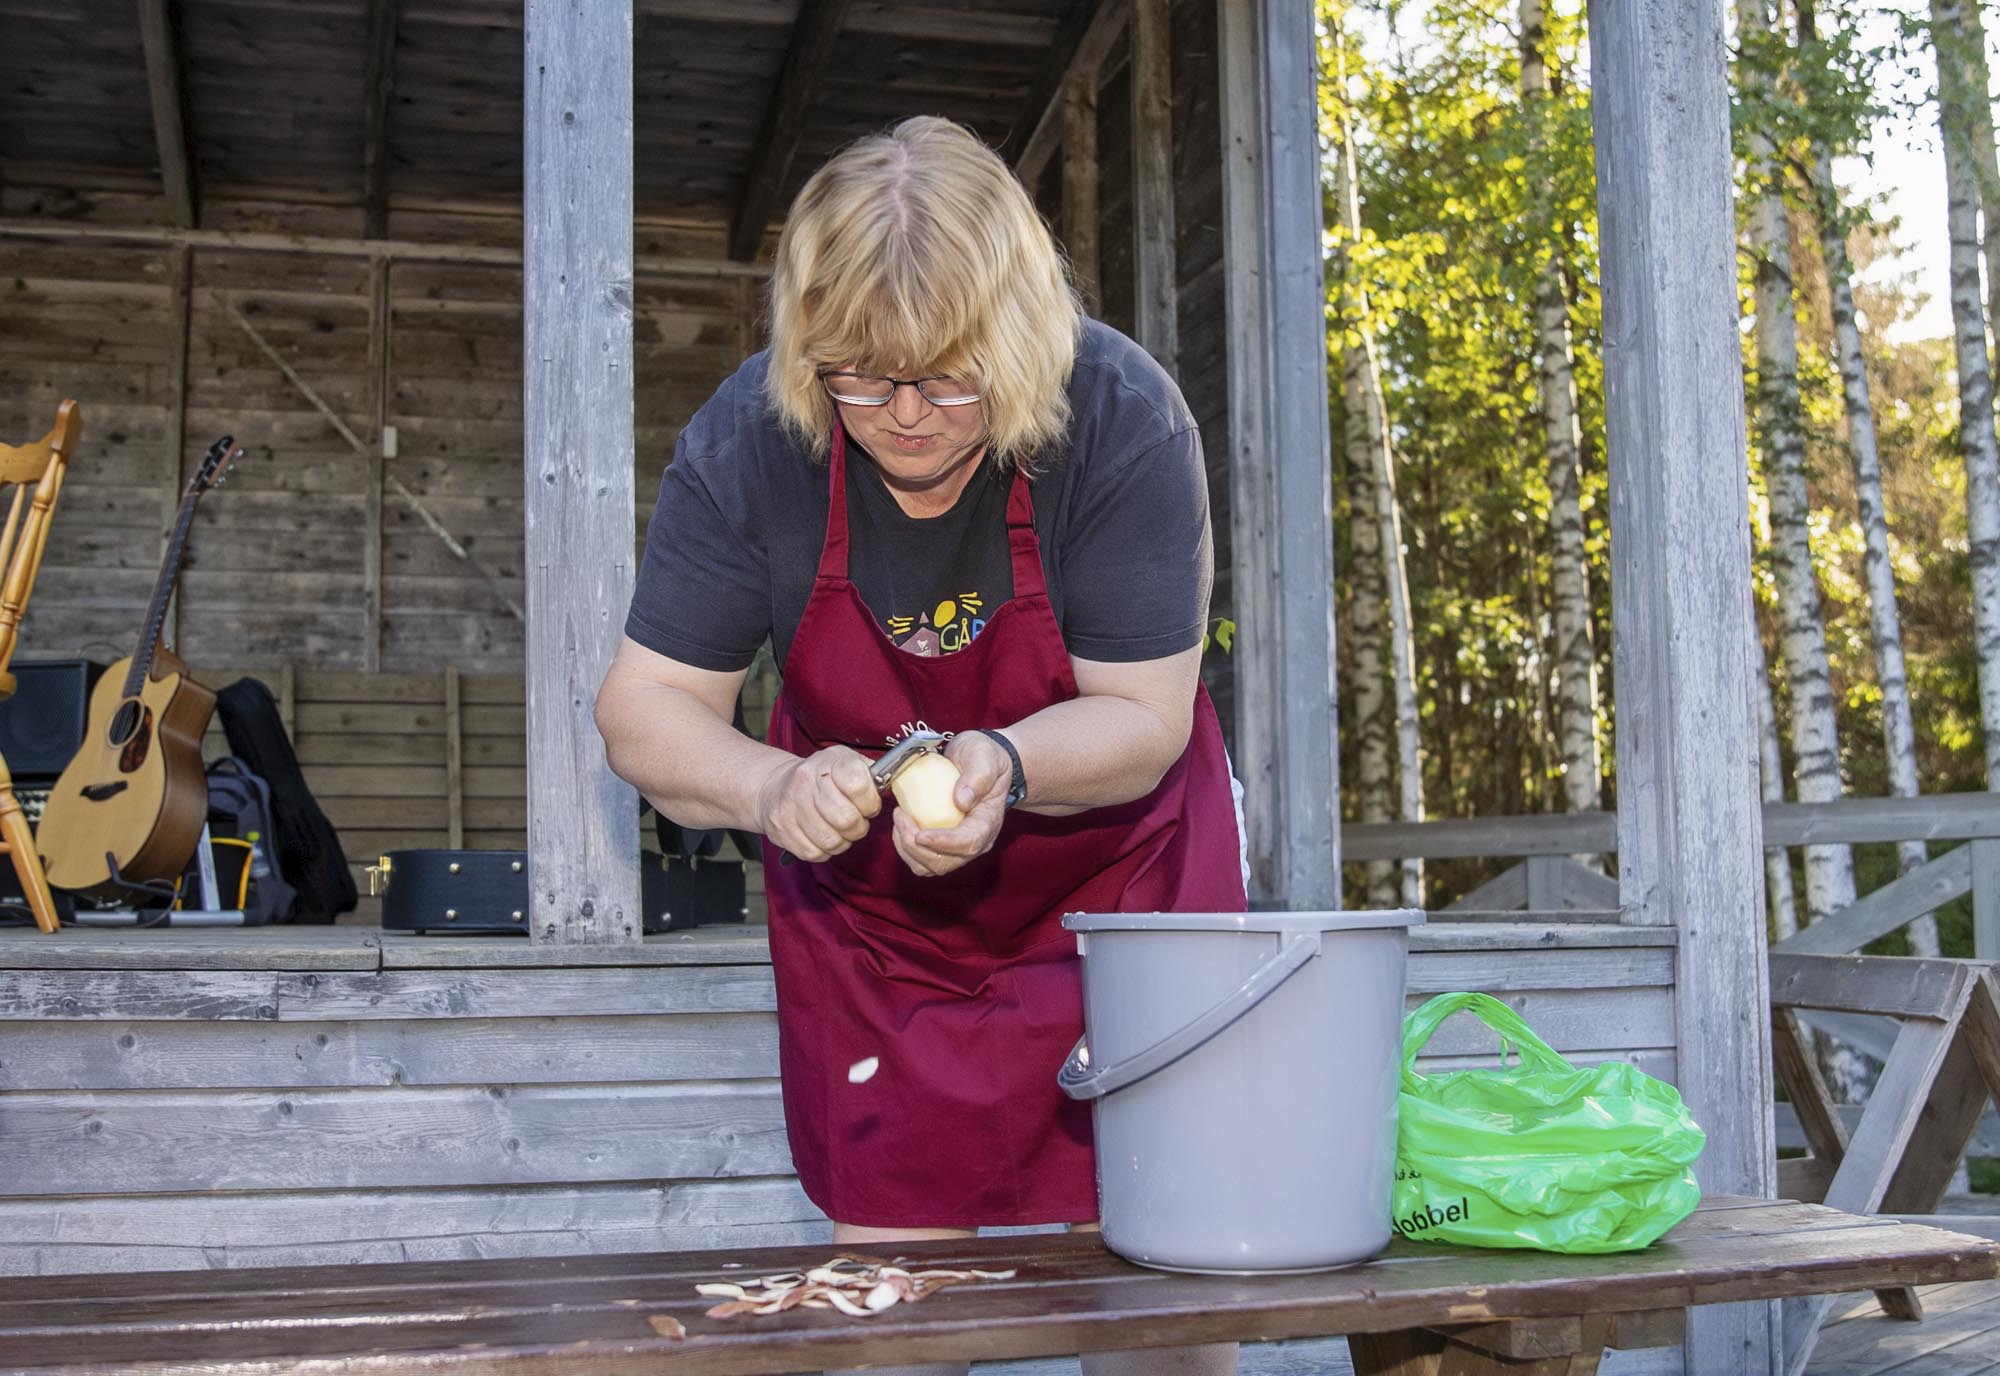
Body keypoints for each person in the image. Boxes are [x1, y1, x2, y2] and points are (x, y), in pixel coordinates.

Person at [596, 116, 1245, 1376]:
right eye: (858, 373)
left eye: (949, 377)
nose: (902, 415)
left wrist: (1000, 762)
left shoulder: (1119, 419)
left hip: (1124, 893)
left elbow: (1143, 716)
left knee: (1166, 1296)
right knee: (890, 1319)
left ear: (1014, 336)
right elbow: (643, 705)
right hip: (878, 925)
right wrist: (771, 782)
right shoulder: (752, 439)